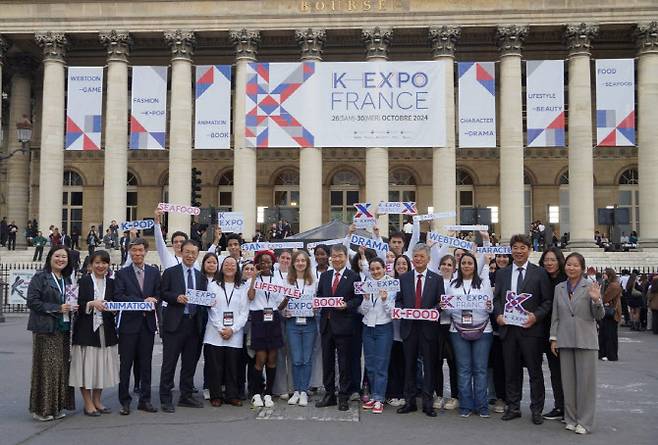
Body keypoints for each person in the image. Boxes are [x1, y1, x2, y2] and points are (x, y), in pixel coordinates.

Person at [493, 234, 553, 425]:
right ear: (511, 250)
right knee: (511, 371)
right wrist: (498, 315)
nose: (518, 251)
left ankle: (536, 410)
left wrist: (535, 316)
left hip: (531, 331)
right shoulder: (502, 273)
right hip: (509, 330)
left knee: (535, 372)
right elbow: (496, 300)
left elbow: (547, 301)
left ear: (529, 250)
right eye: (515, 248)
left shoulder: (540, 273)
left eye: (522, 247)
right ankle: (513, 406)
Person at [550, 253, 604, 434]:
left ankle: (585, 422)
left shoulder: (590, 286)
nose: (571, 268)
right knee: (568, 382)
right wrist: (553, 338)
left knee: (586, 384)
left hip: (586, 340)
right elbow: (555, 315)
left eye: (575, 265)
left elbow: (599, 316)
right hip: (565, 339)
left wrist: (597, 300)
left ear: (582, 268)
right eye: (568, 265)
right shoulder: (559, 288)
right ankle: (571, 418)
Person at [27, 245, 76, 421]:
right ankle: (42, 409)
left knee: (61, 368)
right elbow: (32, 302)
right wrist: (57, 308)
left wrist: (72, 307)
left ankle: (56, 406)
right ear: (50, 257)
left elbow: (69, 300)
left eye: (64, 257)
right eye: (57, 256)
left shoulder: (67, 279)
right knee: (46, 369)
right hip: (45, 329)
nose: (61, 259)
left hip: (63, 329)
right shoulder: (40, 277)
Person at [442, 252, 494, 418]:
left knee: (480, 369)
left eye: (469, 263)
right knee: (463, 369)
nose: (466, 265)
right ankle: (465, 405)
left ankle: (482, 406)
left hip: (483, 329)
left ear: (475, 265)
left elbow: (490, 308)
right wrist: (445, 306)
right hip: (457, 329)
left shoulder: (484, 284)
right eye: (463, 263)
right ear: (459, 265)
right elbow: (449, 311)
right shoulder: (453, 285)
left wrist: (487, 305)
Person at [159, 240, 209, 413]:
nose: (190, 255)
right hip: (174, 324)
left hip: (194, 325)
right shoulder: (170, 272)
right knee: (169, 363)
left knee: (189, 363)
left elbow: (203, 300)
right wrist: (176, 298)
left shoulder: (201, 276)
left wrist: (211, 301)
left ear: (197, 254)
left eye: (193, 253)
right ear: (181, 252)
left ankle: (186, 395)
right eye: (187, 252)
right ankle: (165, 398)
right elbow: (162, 293)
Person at [396, 243, 444, 417]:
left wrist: (434, 311)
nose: (418, 259)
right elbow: (399, 301)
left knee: (429, 367)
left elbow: (441, 303)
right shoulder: (404, 278)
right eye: (415, 256)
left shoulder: (436, 279)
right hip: (409, 329)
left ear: (428, 259)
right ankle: (409, 402)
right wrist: (400, 309)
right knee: (408, 366)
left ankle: (427, 403)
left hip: (428, 329)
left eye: (421, 256)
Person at [113, 238, 161, 415]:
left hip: (147, 326)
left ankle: (145, 400)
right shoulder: (122, 274)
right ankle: (124, 401)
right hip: (128, 326)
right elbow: (118, 296)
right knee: (126, 365)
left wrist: (154, 300)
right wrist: (142, 302)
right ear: (129, 252)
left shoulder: (154, 272)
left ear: (146, 251)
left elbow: (158, 294)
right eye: (134, 251)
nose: (137, 254)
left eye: (140, 250)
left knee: (145, 365)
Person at [69, 250, 119, 416]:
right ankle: (88, 403)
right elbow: (75, 305)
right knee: (86, 367)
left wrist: (113, 308)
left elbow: (117, 304)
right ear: (91, 265)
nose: (101, 266)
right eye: (97, 262)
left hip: (106, 331)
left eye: (104, 263)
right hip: (86, 330)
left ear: (108, 265)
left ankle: (97, 400)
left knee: (101, 367)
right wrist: (91, 303)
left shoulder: (112, 283)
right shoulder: (83, 282)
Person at [315, 244, 362, 411]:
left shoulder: (354, 276)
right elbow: (320, 296)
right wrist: (316, 303)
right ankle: (329, 394)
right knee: (327, 362)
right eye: (334, 256)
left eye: (339, 256)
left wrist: (347, 305)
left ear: (346, 257)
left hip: (344, 326)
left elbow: (358, 299)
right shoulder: (325, 276)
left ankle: (343, 395)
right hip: (327, 325)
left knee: (344, 363)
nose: (336, 259)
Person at [204, 256, 248, 407]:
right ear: (222, 267)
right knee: (215, 366)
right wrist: (221, 328)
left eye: (233, 265)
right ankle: (215, 395)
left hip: (235, 333)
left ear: (237, 268)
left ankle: (232, 395)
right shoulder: (213, 285)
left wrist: (233, 329)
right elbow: (211, 308)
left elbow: (244, 311)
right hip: (214, 332)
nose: (230, 267)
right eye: (227, 264)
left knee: (233, 366)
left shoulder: (242, 286)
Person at [247, 250, 285, 408]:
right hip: (258, 318)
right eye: (262, 262)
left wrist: (288, 298)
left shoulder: (277, 279)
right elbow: (250, 296)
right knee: (260, 357)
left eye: (269, 262)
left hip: (274, 318)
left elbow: (280, 305)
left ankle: (268, 393)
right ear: (258, 263)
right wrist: (254, 277)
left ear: (273, 263)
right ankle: (256, 393)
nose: (266, 264)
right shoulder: (254, 279)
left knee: (272, 358)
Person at [280, 250, 317, 407]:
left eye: (303, 260)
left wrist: (316, 308)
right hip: (292, 323)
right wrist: (285, 311)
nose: (300, 263)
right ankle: (296, 390)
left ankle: (304, 391)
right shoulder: (286, 282)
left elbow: (318, 302)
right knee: (296, 359)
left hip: (309, 323)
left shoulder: (313, 281)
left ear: (307, 263)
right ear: (293, 263)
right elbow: (281, 303)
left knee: (307, 359)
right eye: (298, 261)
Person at [359, 258, 396, 414]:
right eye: (372, 269)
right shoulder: (367, 283)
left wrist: (385, 299)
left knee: (381, 365)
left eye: (378, 269)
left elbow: (392, 312)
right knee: (370, 365)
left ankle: (380, 398)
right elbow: (362, 310)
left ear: (384, 269)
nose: (375, 272)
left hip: (384, 327)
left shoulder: (391, 284)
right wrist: (366, 300)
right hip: (368, 327)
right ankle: (374, 396)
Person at [538, 247, 567, 421]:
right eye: (546, 260)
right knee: (555, 371)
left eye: (553, 260)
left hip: (562, 331)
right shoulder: (541, 278)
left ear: (559, 261)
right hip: (545, 331)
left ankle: (569, 407)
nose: (549, 263)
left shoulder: (566, 280)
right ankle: (559, 406)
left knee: (567, 372)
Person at [434, 254, 459, 411]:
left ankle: (455, 395)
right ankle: (438, 394)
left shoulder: (457, 284)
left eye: (450, 264)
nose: (446, 267)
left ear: (454, 268)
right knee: (436, 363)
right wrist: (438, 306)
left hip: (453, 326)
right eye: (444, 264)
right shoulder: (435, 282)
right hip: (437, 326)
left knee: (454, 363)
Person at [386, 255, 411, 407]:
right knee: (393, 363)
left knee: (405, 364)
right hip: (391, 329)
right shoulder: (389, 282)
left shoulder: (411, 282)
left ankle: (405, 392)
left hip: (407, 330)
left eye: (404, 264)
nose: (401, 266)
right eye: (398, 264)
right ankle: (393, 393)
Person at [598, 268, 622, 361]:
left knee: (610, 334)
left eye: (605, 273)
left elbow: (605, 298)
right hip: (608, 311)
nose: (604, 275)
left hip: (611, 313)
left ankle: (610, 354)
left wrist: (601, 297)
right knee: (605, 333)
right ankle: (604, 353)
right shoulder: (608, 284)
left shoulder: (614, 285)